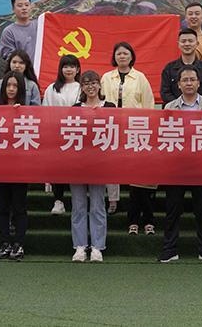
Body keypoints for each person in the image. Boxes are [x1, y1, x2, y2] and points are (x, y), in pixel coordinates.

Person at [159, 65, 202, 263]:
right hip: (176, 166)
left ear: (199, 83)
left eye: (192, 79)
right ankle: (169, 249)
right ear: (178, 84)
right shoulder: (169, 107)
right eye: (185, 80)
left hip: (201, 166)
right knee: (173, 210)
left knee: (201, 210)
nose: (189, 83)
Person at [101, 42, 157, 235]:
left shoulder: (140, 77)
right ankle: (113, 200)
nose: (122, 56)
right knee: (111, 166)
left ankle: (141, 216)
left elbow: (148, 103)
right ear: (114, 57)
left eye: (125, 53)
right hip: (112, 127)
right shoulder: (106, 77)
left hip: (135, 128)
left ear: (131, 56)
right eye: (119, 54)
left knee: (137, 171)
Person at [70, 70, 115, 262]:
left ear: (99, 85)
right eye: (86, 83)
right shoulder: (75, 108)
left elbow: (116, 131)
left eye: (94, 83)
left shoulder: (109, 106)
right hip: (78, 163)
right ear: (82, 87)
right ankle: (80, 246)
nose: (90, 87)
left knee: (97, 205)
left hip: (100, 163)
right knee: (78, 206)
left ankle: (97, 246)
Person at [0, 71, 29, 260]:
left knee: (19, 207)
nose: (11, 89)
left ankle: (19, 244)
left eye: (15, 86)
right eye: (8, 85)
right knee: (2, 207)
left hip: (20, 167)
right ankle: (5, 242)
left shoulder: (28, 112)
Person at [42, 54, 82, 215]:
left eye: (72, 66)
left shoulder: (81, 87)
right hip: (56, 133)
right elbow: (45, 110)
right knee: (57, 167)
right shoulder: (52, 88)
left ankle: (78, 201)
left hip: (77, 132)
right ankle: (58, 200)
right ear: (60, 69)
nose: (69, 69)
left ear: (77, 69)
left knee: (76, 167)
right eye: (66, 66)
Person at [160, 28, 202, 105]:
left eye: (190, 41)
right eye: (183, 41)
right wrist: (181, 105)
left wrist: (195, 105)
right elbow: (165, 93)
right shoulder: (169, 69)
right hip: (175, 109)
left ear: (197, 44)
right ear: (178, 44)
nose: (187, 44)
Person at [0, 0, 38, 65]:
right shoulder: (9, 31)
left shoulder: (38, 25)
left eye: (27, 5)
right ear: (13, 9)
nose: (24, 8)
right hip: (22, 70)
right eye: (20, 6)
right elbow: (8, 55)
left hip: (44, 69)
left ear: (31, 7)